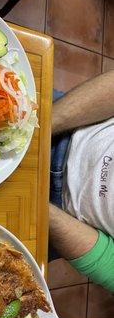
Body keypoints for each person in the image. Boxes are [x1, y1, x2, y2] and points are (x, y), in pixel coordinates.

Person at [49, 70, 114, 293]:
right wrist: (39, 128)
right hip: (68, 122)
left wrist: (39, 207)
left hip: (60, 222)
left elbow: (108, 262)